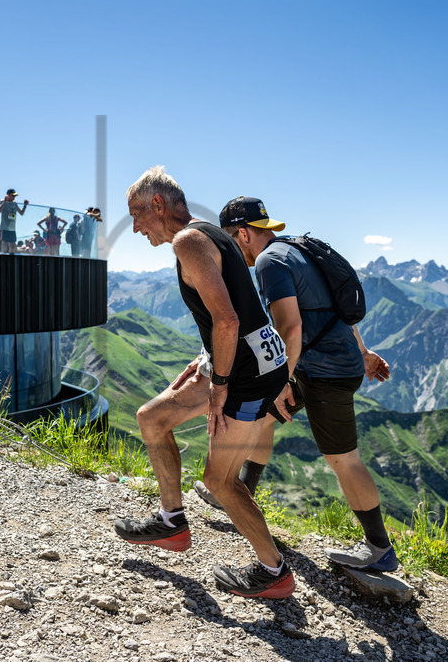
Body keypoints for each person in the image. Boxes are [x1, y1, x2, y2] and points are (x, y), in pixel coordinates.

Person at [114, 166, 293, 600]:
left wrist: (220, 385)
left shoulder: (187, 242)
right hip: (242, 361)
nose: (135, 227)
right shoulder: (209, 232)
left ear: (159, 205)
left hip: (247, 375)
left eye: (137, 214)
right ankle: (171, 522)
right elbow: (236, 310)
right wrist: (206, 361)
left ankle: (274, 572)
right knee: (152, 419)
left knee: (220, 480)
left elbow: (228, 320)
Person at [203, 196, 396, 572]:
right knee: (262, 418)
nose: (230, 251)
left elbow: (289, 328)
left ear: (243, 234)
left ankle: (379, 549)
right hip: (319, 363)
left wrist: (279, 382)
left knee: (343, 459)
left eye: (229, 241)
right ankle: (238, 492)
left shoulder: (269, 262)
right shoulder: (295, 248)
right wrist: (363, 351)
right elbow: (334, 308)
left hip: (326, 372)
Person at [0, 189, 27, 254]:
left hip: (12, 228)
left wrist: (25, 205)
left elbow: (21, 213)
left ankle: (11, 258)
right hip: (4, 227)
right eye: (12, 196)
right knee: (4, 244)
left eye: (14, 196)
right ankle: (2, 257)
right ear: (7, 195)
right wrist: (4, 202)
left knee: (12, 245)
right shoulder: (3, 201)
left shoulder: (14, 203)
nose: (14, 197)